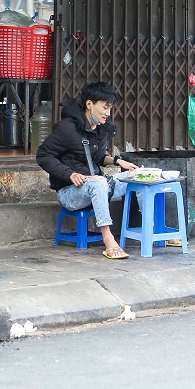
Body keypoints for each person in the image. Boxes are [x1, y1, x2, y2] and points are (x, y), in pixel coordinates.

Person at [36, 82, 140, 259]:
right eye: (105, 107)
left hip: (95, 184)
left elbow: (95, 157)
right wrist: (69, 174)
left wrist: (117, 161)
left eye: (110, 108)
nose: (108, 113)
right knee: (99, 182)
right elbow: (43, 155)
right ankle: (109, 240)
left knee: (137, 177)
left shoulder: (99, 128)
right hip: (70, 192)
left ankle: (150, 231)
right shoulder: (67, 128)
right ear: (89, 104)